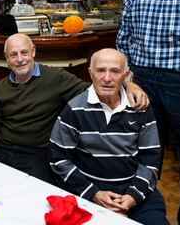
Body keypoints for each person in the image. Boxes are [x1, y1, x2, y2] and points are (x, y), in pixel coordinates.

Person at [0, 33, 149, 185]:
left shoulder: (55, 78)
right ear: (7, 58)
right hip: (4, 149)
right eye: (13, 55)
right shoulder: (1, 87)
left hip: (37, 153)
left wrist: (128, 84)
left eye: (24, 52)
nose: (20, 59)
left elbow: (93, 89)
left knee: (34, 195)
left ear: (33, 52)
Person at [49, 49, 168, 224]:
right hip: (89, 188)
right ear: (91, 73)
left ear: (125, 75)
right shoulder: (74, 109)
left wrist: (133, 196)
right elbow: (58, 159)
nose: (107, 78)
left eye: (115, 71)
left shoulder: (140, 107)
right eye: (100, 70)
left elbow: (151, 159)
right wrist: (93, 193)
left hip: (133, 186)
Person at [116, 0, 180, 223]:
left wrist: (128, 80)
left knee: (142, 158)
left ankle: (143, 216)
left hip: (140, 80)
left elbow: (123, 39)